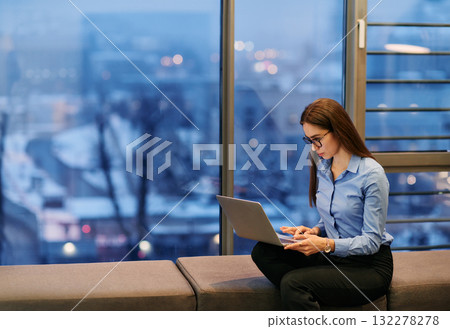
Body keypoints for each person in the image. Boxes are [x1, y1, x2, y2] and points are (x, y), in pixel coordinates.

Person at [251, 98, 394, 310]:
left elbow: (371, 242)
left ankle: (305, 292)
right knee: (263, 251)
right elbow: (334, 216)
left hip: (368, 267)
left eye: (317, 139)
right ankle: (311, 295)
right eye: (309, 140)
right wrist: (315, 230)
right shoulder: (324, 167)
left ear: (338, 129)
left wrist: (325, 244)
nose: (314, 147)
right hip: (334, 257)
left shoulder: (372, 174)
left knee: (293, 283)